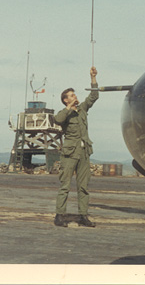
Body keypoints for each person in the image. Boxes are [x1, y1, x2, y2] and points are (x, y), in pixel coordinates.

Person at [53, 66, 99, 227]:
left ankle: (83, 216)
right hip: (70, 153)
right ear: (66, 99)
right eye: (72, 95)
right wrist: (69, 107)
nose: (75, 96)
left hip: (84, 152)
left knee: (83, 186)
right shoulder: (64, 113)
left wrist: (93, 78)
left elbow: (94, 96)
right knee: (65, 186)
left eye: (75, 94)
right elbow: (57, 120)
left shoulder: (82, 110)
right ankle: (59, 216)